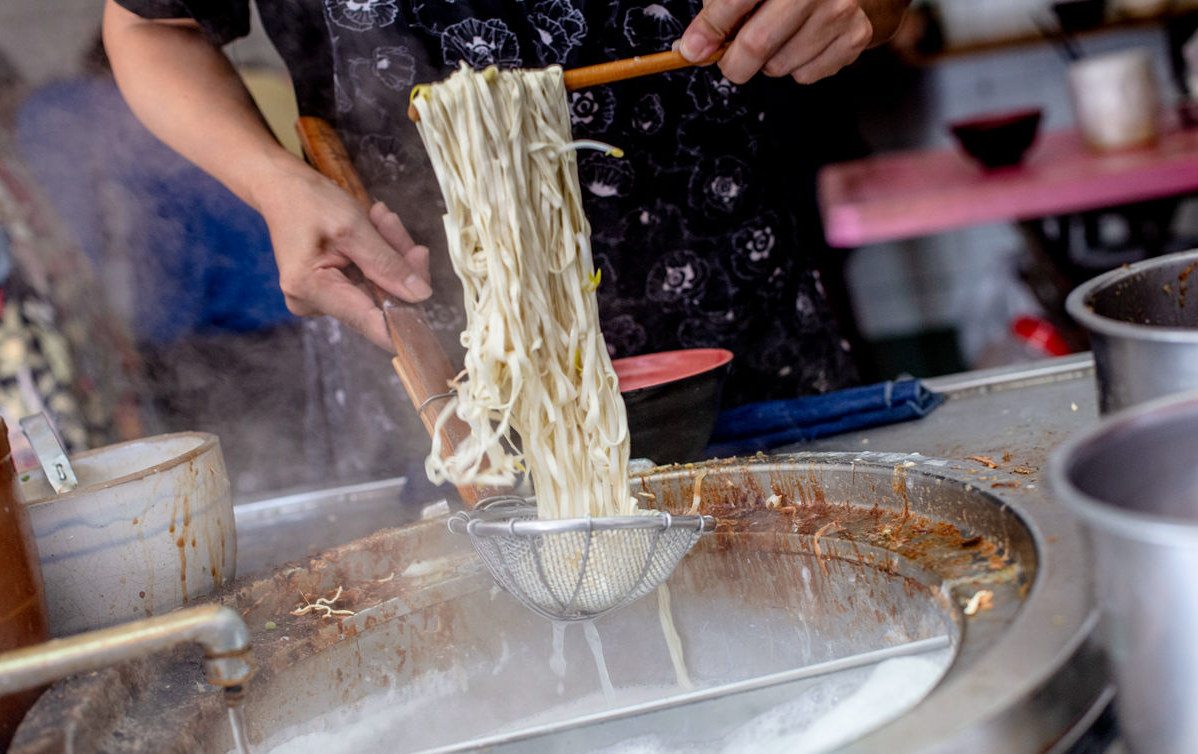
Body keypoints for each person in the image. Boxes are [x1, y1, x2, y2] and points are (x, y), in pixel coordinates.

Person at [101, 0, 909, 433]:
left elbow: (886, 8)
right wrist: (271, 179)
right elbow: (148, 25)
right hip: (449, 362)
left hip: (741, 312)